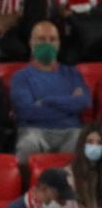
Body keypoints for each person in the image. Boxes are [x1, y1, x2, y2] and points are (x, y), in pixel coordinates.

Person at [11, 21, 91, 163]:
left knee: (85, 145)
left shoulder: (72, 73)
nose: (47, 44)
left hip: (71, 132)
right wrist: (69, 103)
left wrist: (47, 101)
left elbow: (84, 102)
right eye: (41, 39)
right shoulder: (20, 77)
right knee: (26, 146)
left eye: (52, 39)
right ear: (31, 42)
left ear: (59, 43)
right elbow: (27, 111)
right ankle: (26, 185)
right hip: (34, 131)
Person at [65, 125, 102, 208]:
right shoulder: (68, 177)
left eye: (99, 143)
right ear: (82, 146)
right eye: (90, 142)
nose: (95, 147)